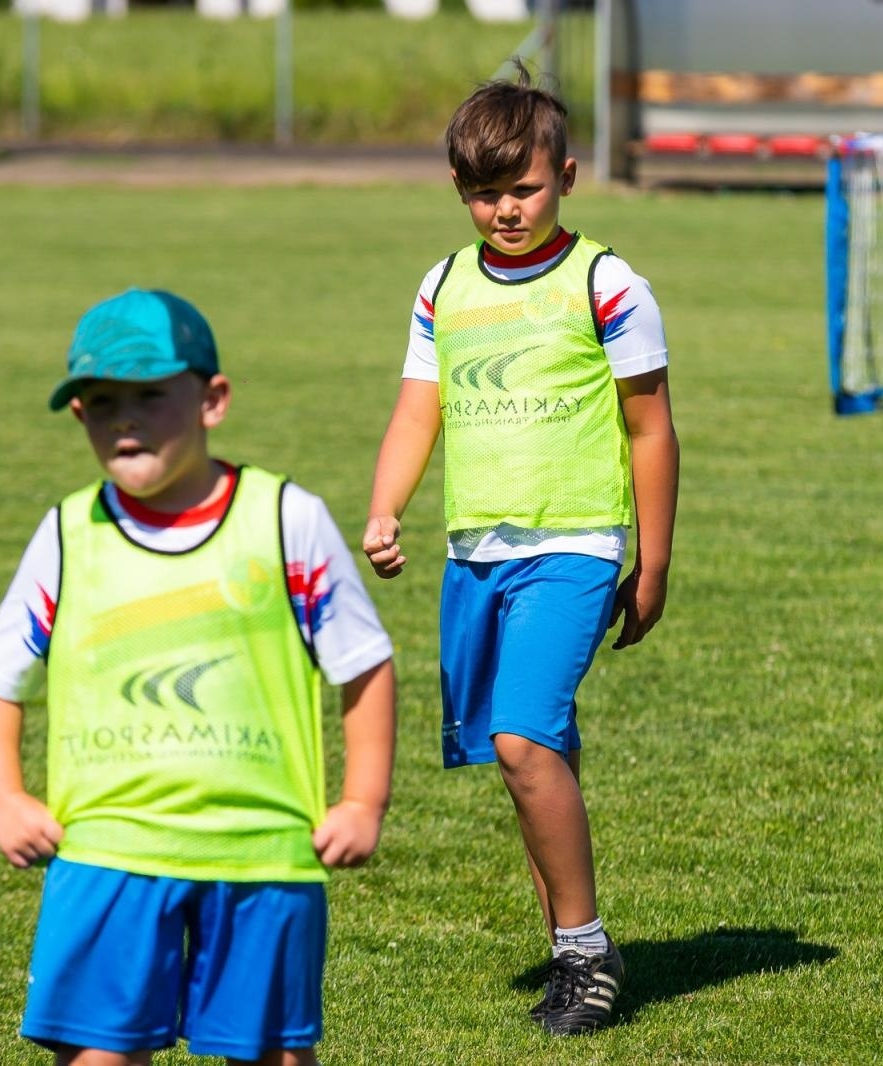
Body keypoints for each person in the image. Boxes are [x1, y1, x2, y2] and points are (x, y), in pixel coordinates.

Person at [0, 288, 397, 1066]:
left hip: (262, 850)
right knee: (97, 1056)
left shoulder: (285, 518)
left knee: (273, 1056)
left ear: (213, 400)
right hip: (108, 847)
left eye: (150, 397)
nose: (124, 420)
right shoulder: (70, 532)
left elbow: (362, 665)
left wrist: (364, 800)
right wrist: (3, 795)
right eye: (102, 402)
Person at [361, 69, 679, 1036]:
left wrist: (653, 562)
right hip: (475, 556)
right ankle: (568, 952)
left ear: (568, 176)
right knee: (534, 758)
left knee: (522, 739)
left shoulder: (607, 284)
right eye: (483, 191)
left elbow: (651, 428)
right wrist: (385, 508)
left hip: (574, 545)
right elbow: (422, 409)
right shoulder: (442, 285)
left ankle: (587, 953)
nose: (504, 209)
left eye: (524, 188)